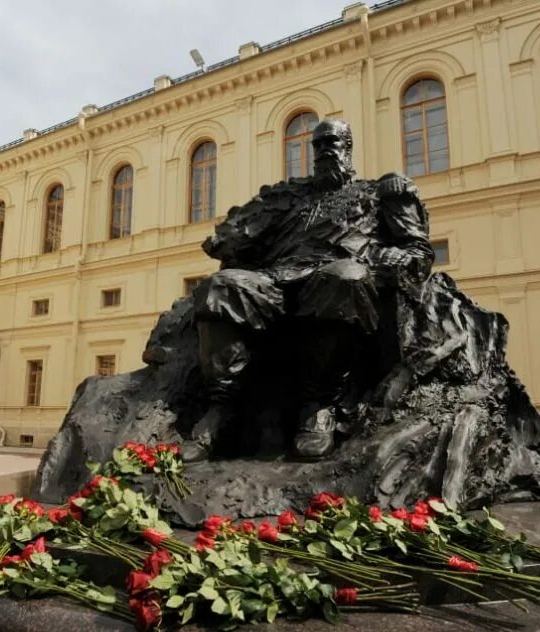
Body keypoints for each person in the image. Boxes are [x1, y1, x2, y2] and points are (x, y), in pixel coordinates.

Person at [184, 118, 434, 462]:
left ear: (348, 147)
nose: (324, 151)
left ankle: (319, 405)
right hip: (277, 279)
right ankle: (220, 409)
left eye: (332, 142)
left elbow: (417, 254)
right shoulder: (289, 197)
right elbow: (230, 240)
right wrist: (235, 235)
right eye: (317, 145)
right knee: (223, 286)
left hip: (330, 279)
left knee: (345, 277)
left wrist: (389, 259)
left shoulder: (377, 193)